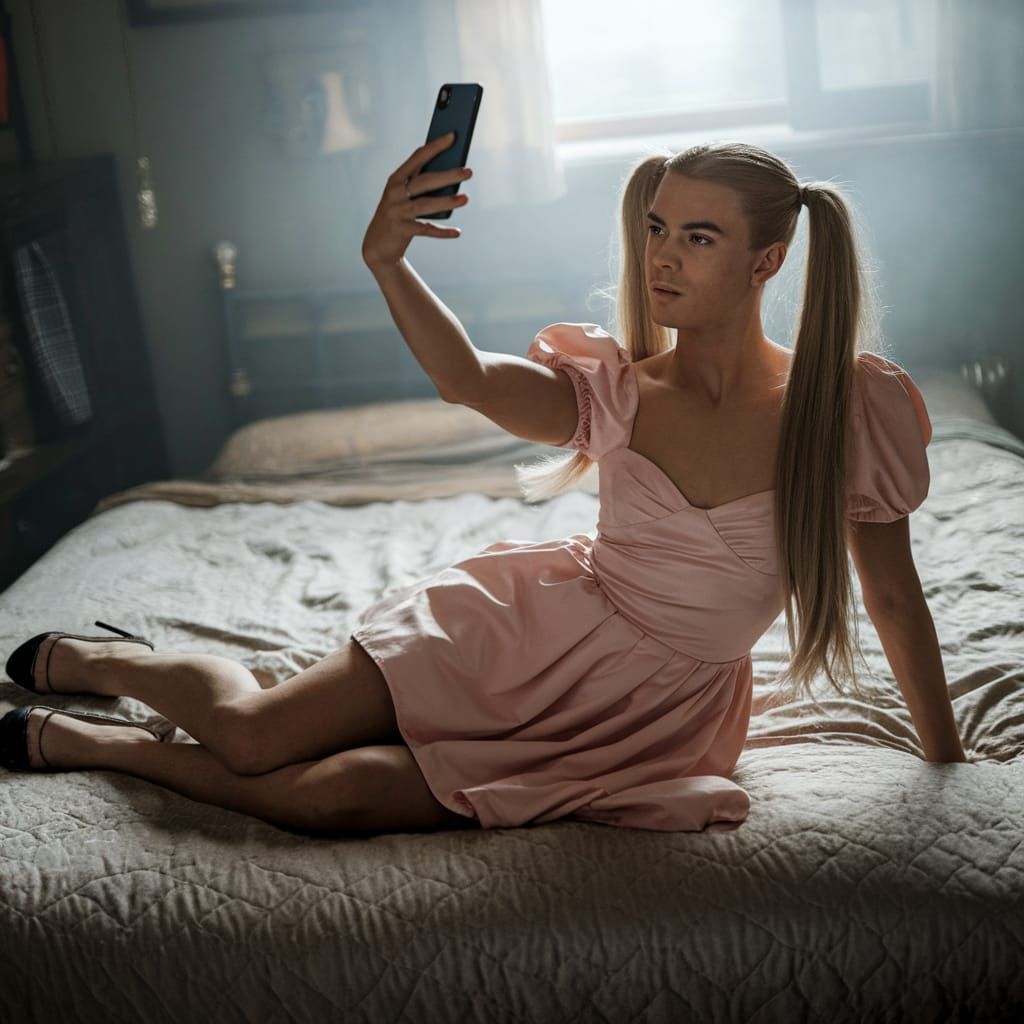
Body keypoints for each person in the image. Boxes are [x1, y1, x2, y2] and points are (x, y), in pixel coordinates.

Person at [0, 132, 967, 838]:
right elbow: (466, 379)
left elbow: (889, 591)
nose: (663, 255)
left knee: (325, 797)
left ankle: (114, 749)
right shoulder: (618, 390)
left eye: (699, 237)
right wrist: (387, 261)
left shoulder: (847, 410)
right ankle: (107, 670)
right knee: (255, 737)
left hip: (654, 715)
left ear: (770, 259)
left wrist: (949, 760)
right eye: (658, 227)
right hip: (525, 633)